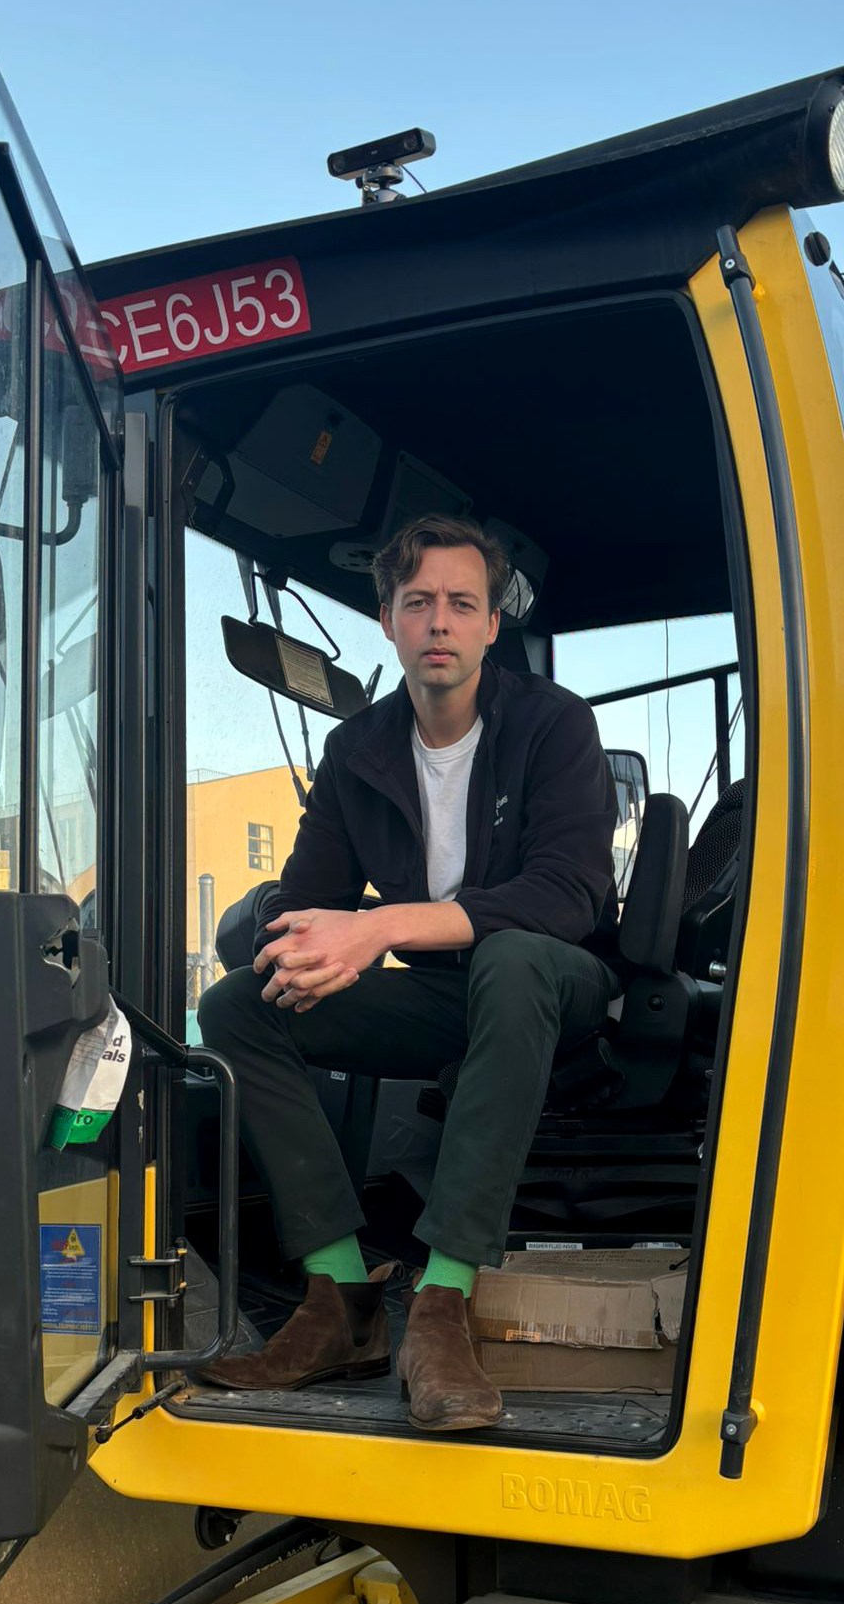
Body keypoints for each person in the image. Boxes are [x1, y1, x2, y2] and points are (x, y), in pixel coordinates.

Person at [197, 514, 619, 1430]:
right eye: (418, 602)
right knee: (237, 1007)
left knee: (510, 958)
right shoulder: (359, 751)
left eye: (462, 604)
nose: (440, 622)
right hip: (440, 996)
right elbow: (314, 897)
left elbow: (569, 895)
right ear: (386, 619)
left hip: (559, 987)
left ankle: (442, 1304)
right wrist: (289, 936)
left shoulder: (554, 724)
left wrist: (378, 926)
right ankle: (339, 1300)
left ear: (490, 626)